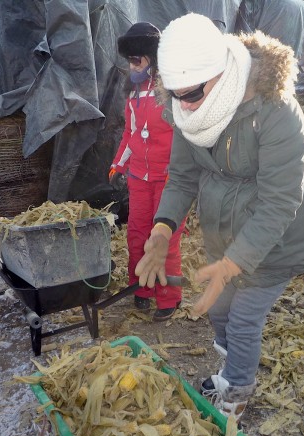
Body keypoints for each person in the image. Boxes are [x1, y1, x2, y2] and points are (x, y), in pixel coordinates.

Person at [135, 13, 304, 422]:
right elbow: (183, 178)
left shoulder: (276, 112)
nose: (183, 105)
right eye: (176, 95)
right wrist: (163, 231)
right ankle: (228, 370)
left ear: (220, 74)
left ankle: (237, 390)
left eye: (192, 94)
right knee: (219, 310)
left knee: (241, 318)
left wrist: (234, 263)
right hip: (228, 232)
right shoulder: (187, 109)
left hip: (279, 237)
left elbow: (279, 202)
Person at [109, 22, 186, 321]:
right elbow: (130, 134)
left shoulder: (171, 92)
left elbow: (183, 136)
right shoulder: (133, 94)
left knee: (165, 237)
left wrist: (178, 171)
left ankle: (170, 297)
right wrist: (118, 164)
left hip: (168, 178)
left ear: (151, 57)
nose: (132, 66)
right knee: (137, 233)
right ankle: (140, 288)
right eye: (129, 61)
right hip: (139, 178)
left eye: (136, 60)